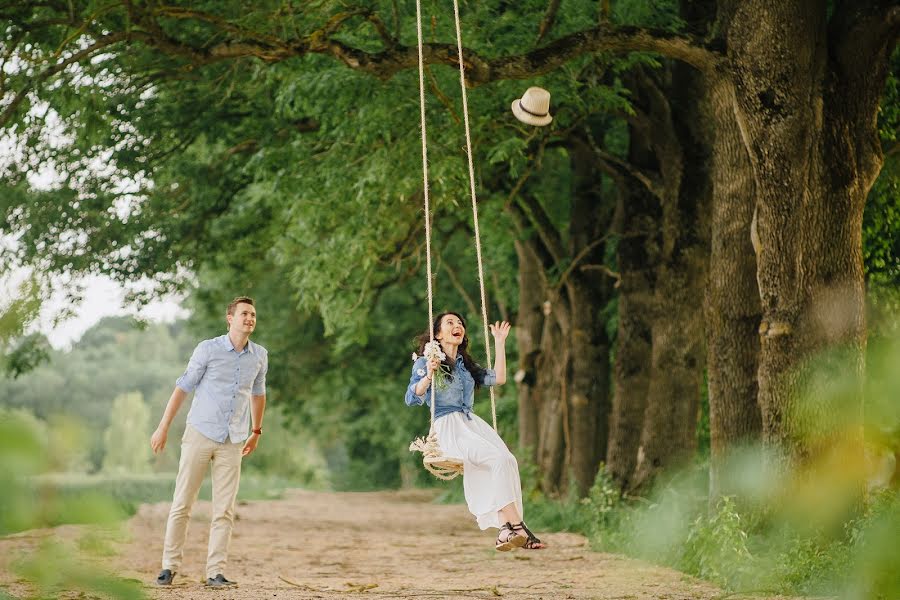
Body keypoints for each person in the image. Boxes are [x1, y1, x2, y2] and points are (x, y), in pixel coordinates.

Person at [149, 296, 268, 587]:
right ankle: (169, 566)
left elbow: (258, 393)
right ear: (230, 318)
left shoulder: (260, 355)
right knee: (182, 503)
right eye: (243, 314)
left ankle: (215, 572)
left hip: (234, 439)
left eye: (252, 314)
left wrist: (256, 431)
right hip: (200, 433)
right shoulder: (208, 349)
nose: (249, 318)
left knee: (224, 509)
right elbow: (183, 388)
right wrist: (163, 427)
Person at [405, 311, 546, 551]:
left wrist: (499, 343)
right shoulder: (425, 360)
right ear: (438, 334)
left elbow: (499, 378)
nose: (457, 325)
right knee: (499, 459)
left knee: (508, 461)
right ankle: (519, 527)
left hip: (470, 424)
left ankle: (505, 530)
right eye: (450, 323)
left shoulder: (466, 366)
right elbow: (412, 396)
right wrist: (429, 373)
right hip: (448, 426)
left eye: (459, 323)